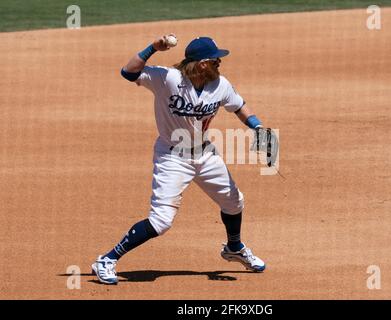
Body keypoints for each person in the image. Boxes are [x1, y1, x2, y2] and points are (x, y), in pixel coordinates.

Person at [92, 34, 266, 285]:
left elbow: (238, 106)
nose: (220, 63)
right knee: (161, 221)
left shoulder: (220, 84)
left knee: (234, 201)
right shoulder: (168, 79)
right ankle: (106, 260)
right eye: (216, 60)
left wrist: (257, 126)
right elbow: (128, 72)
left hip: (205, 154)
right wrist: (153, 48)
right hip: (172, 157)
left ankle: (234, 248)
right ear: (203, 63)